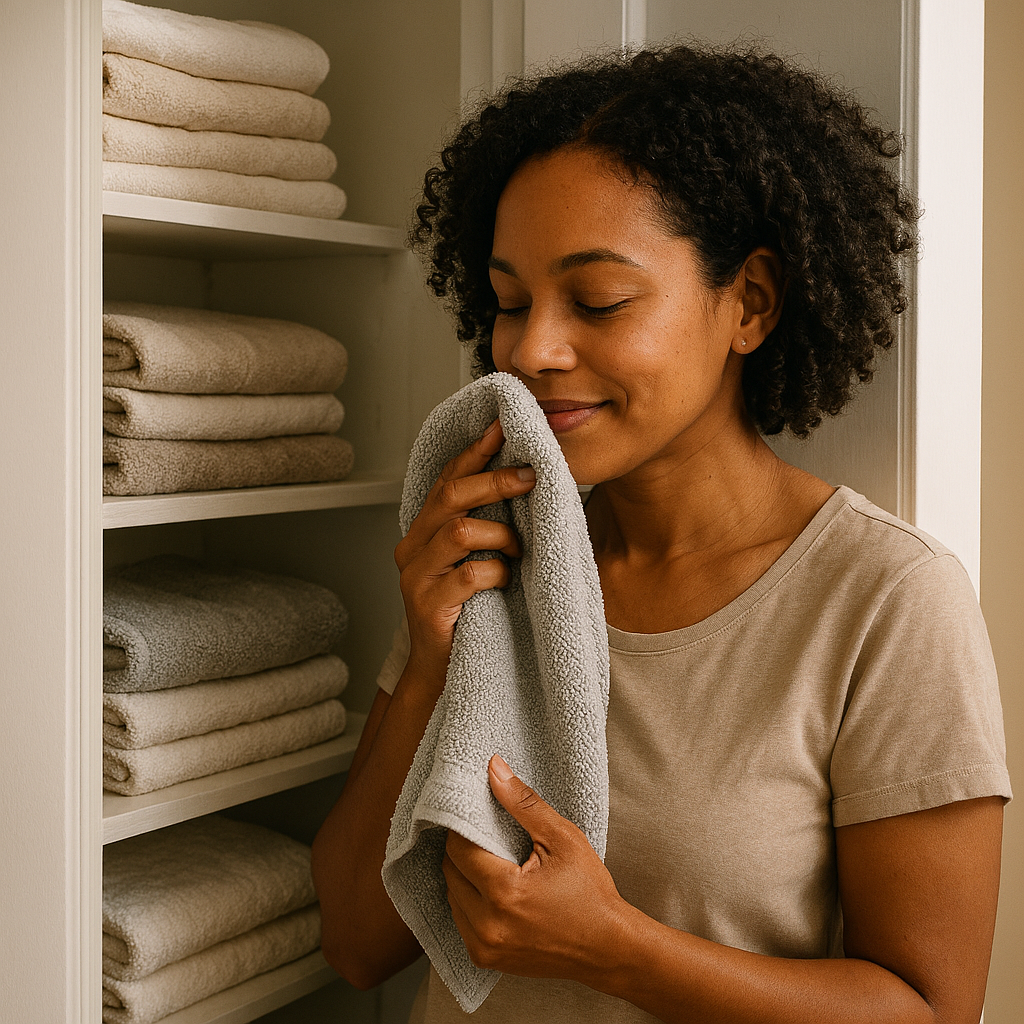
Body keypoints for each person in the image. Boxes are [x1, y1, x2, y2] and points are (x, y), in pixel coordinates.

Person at [311, 43, 1011, 1023]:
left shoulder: (883, 598)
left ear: (749, 304)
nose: (531, 350)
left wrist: (616, 949)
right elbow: (353, 940)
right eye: (510, 302)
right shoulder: (487, 555)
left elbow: (929, 1010)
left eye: (597, 300)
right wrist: (430, 656)